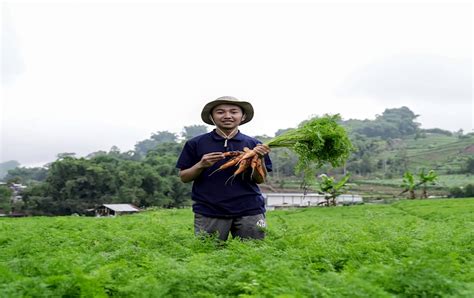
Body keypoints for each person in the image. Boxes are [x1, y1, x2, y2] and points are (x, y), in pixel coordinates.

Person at [176, 96, 272, 241]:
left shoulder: (255, 144)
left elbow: (261, 180)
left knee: (254, 255)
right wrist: (201, 164)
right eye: (220, 112)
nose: (227, 116)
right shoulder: (195, 143)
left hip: (250, 209)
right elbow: (184, 177)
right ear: (212, 117)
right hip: (209, 210)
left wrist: (260, 158)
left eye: (234, 112)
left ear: (243, 116)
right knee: (208, 256)